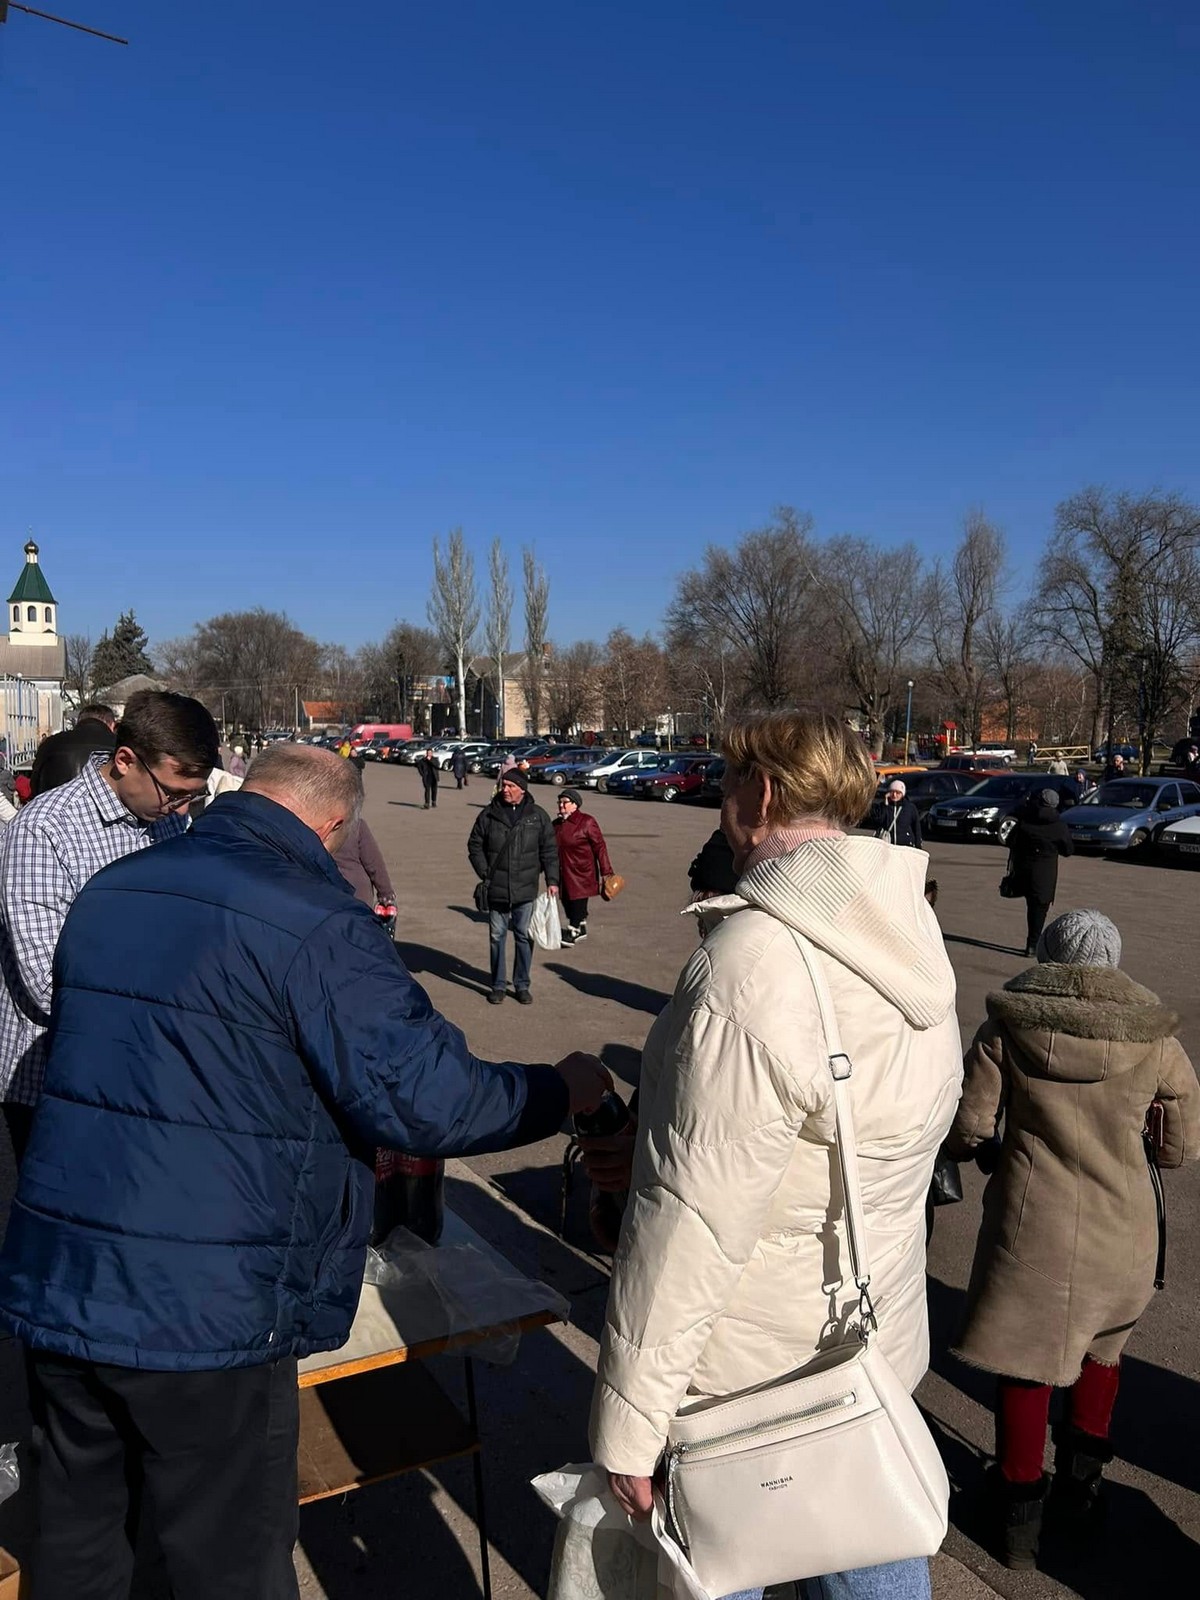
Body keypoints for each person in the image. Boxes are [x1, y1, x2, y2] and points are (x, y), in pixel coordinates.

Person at [0, 745, 610, 1600]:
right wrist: (559, 1089)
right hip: (205, 1303)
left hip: (65, 1274)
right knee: (227, 1557)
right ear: (333, 824)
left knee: (81, 1534)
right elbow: (430, 1099)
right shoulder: (316, 916)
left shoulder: (116, 887)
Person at [588, 711, 962, 1600]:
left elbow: (690, 1227)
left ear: (759, 795)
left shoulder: (750, 961)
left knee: (722, 1570)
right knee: (872, 1546)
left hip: (744, 1391)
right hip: (865, 1344)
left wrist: (629, 1433)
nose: (719, 807)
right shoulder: (909, 937)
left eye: (724, 785)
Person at [946, 910, 1200, 1571]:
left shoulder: (1008, 1026)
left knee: (1027, 1364)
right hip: (1126, 1229)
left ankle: (1016, 1514)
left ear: (1049, 955)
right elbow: (1179, 1150)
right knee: (1101, 1355)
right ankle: (1081, 1494)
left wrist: (980, 1151)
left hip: (1035, 1226)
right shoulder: (1158, 1042)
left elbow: (970, 1124)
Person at [0, 691, 217, 1165]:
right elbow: (48, 983)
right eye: (174, 793)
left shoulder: (163, 821)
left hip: (142, 1069)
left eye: (193, 796)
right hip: (54, 1080)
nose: (182, 810)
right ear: (124, 760)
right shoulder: (44, 831)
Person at [467, 769, 558, 1006]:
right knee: (497, 936)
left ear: (522, 788)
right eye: (503, 785)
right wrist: (485, 872)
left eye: (510, 786)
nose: (505, 790)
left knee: (523, 937)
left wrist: (552, 881)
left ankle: (521, 984)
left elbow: (549, 850)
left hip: (525, 888)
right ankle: (497, 985)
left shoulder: (537, 816)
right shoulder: (489, 815)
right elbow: (475, 845)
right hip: (496, 888)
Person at [1005, 788, 1073, 957]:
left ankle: (1031, 943)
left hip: (1024, 869)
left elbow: (1010, 840)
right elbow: (1068, 850)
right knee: (1039, 908)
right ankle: (1032, 944)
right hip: (1045, 872)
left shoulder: (1025, 821)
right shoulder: (1059, 826)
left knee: (1031, 905)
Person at [553, 789, 613, 944]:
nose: (561, 805)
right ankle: (581, 925)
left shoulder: (587, 822)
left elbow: (599, 846)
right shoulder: (557, 824)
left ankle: (574, 930)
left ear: (575, 805)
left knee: (577, 899)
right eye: (559, 802)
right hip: (563, 869)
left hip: (582, 871)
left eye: (565, 802)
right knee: (566, 899)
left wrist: (606, 872)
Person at [29, 704, 118, 798]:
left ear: (79, 721)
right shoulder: (119, 744)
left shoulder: (51, 743)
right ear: (111, 724)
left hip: (54, 806)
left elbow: (34, 783)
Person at [335, 815, 395, 916]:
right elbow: (374, 863)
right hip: (357, 895)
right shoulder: (356, 825)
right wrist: (386, 893)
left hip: (323, 897)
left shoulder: (309, 825)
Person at [871, 778, 923, 847]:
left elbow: (916, 827)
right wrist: (885, 805)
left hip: (905, 846)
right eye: (892, 792)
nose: (894, 795)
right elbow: (879, 820)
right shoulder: (884, 806)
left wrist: (918, 844)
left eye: (898, 793)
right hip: (887, 844)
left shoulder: (910, 807)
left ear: (902, 794)